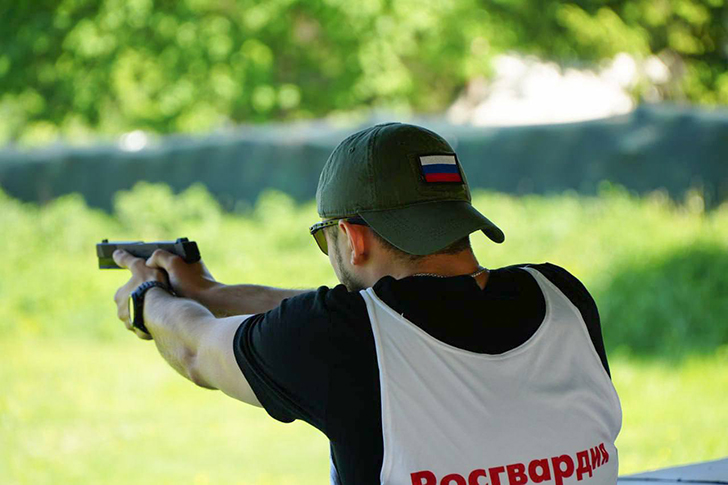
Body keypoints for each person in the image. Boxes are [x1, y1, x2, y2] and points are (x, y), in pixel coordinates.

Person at [113, 122, 622, 485]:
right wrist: (210, 294)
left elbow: (196, 349)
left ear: (353, 238)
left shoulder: (339, 337)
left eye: (326, 238)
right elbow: (390, 318)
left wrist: (146, 297)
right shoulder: (562, 295)